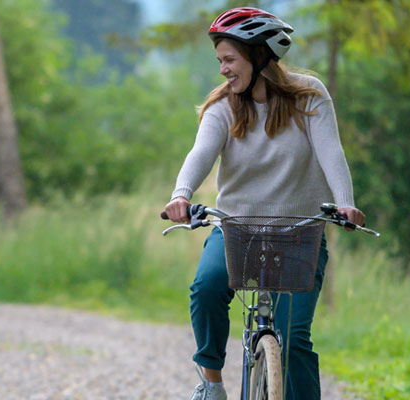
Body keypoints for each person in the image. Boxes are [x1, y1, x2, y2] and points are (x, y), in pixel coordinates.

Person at [163, 7, 367, 400]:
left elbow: (332, 154)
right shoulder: (222, 107)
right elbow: (200, 153)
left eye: (229, 60)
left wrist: (345, 204)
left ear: (259, 57)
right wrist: (181, 194)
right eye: (220, 61)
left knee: (293, 340)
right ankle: (211, 384)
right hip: (236, 230)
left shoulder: (309, 97)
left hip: (300, 235)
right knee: (206, 288)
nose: (222, 69)